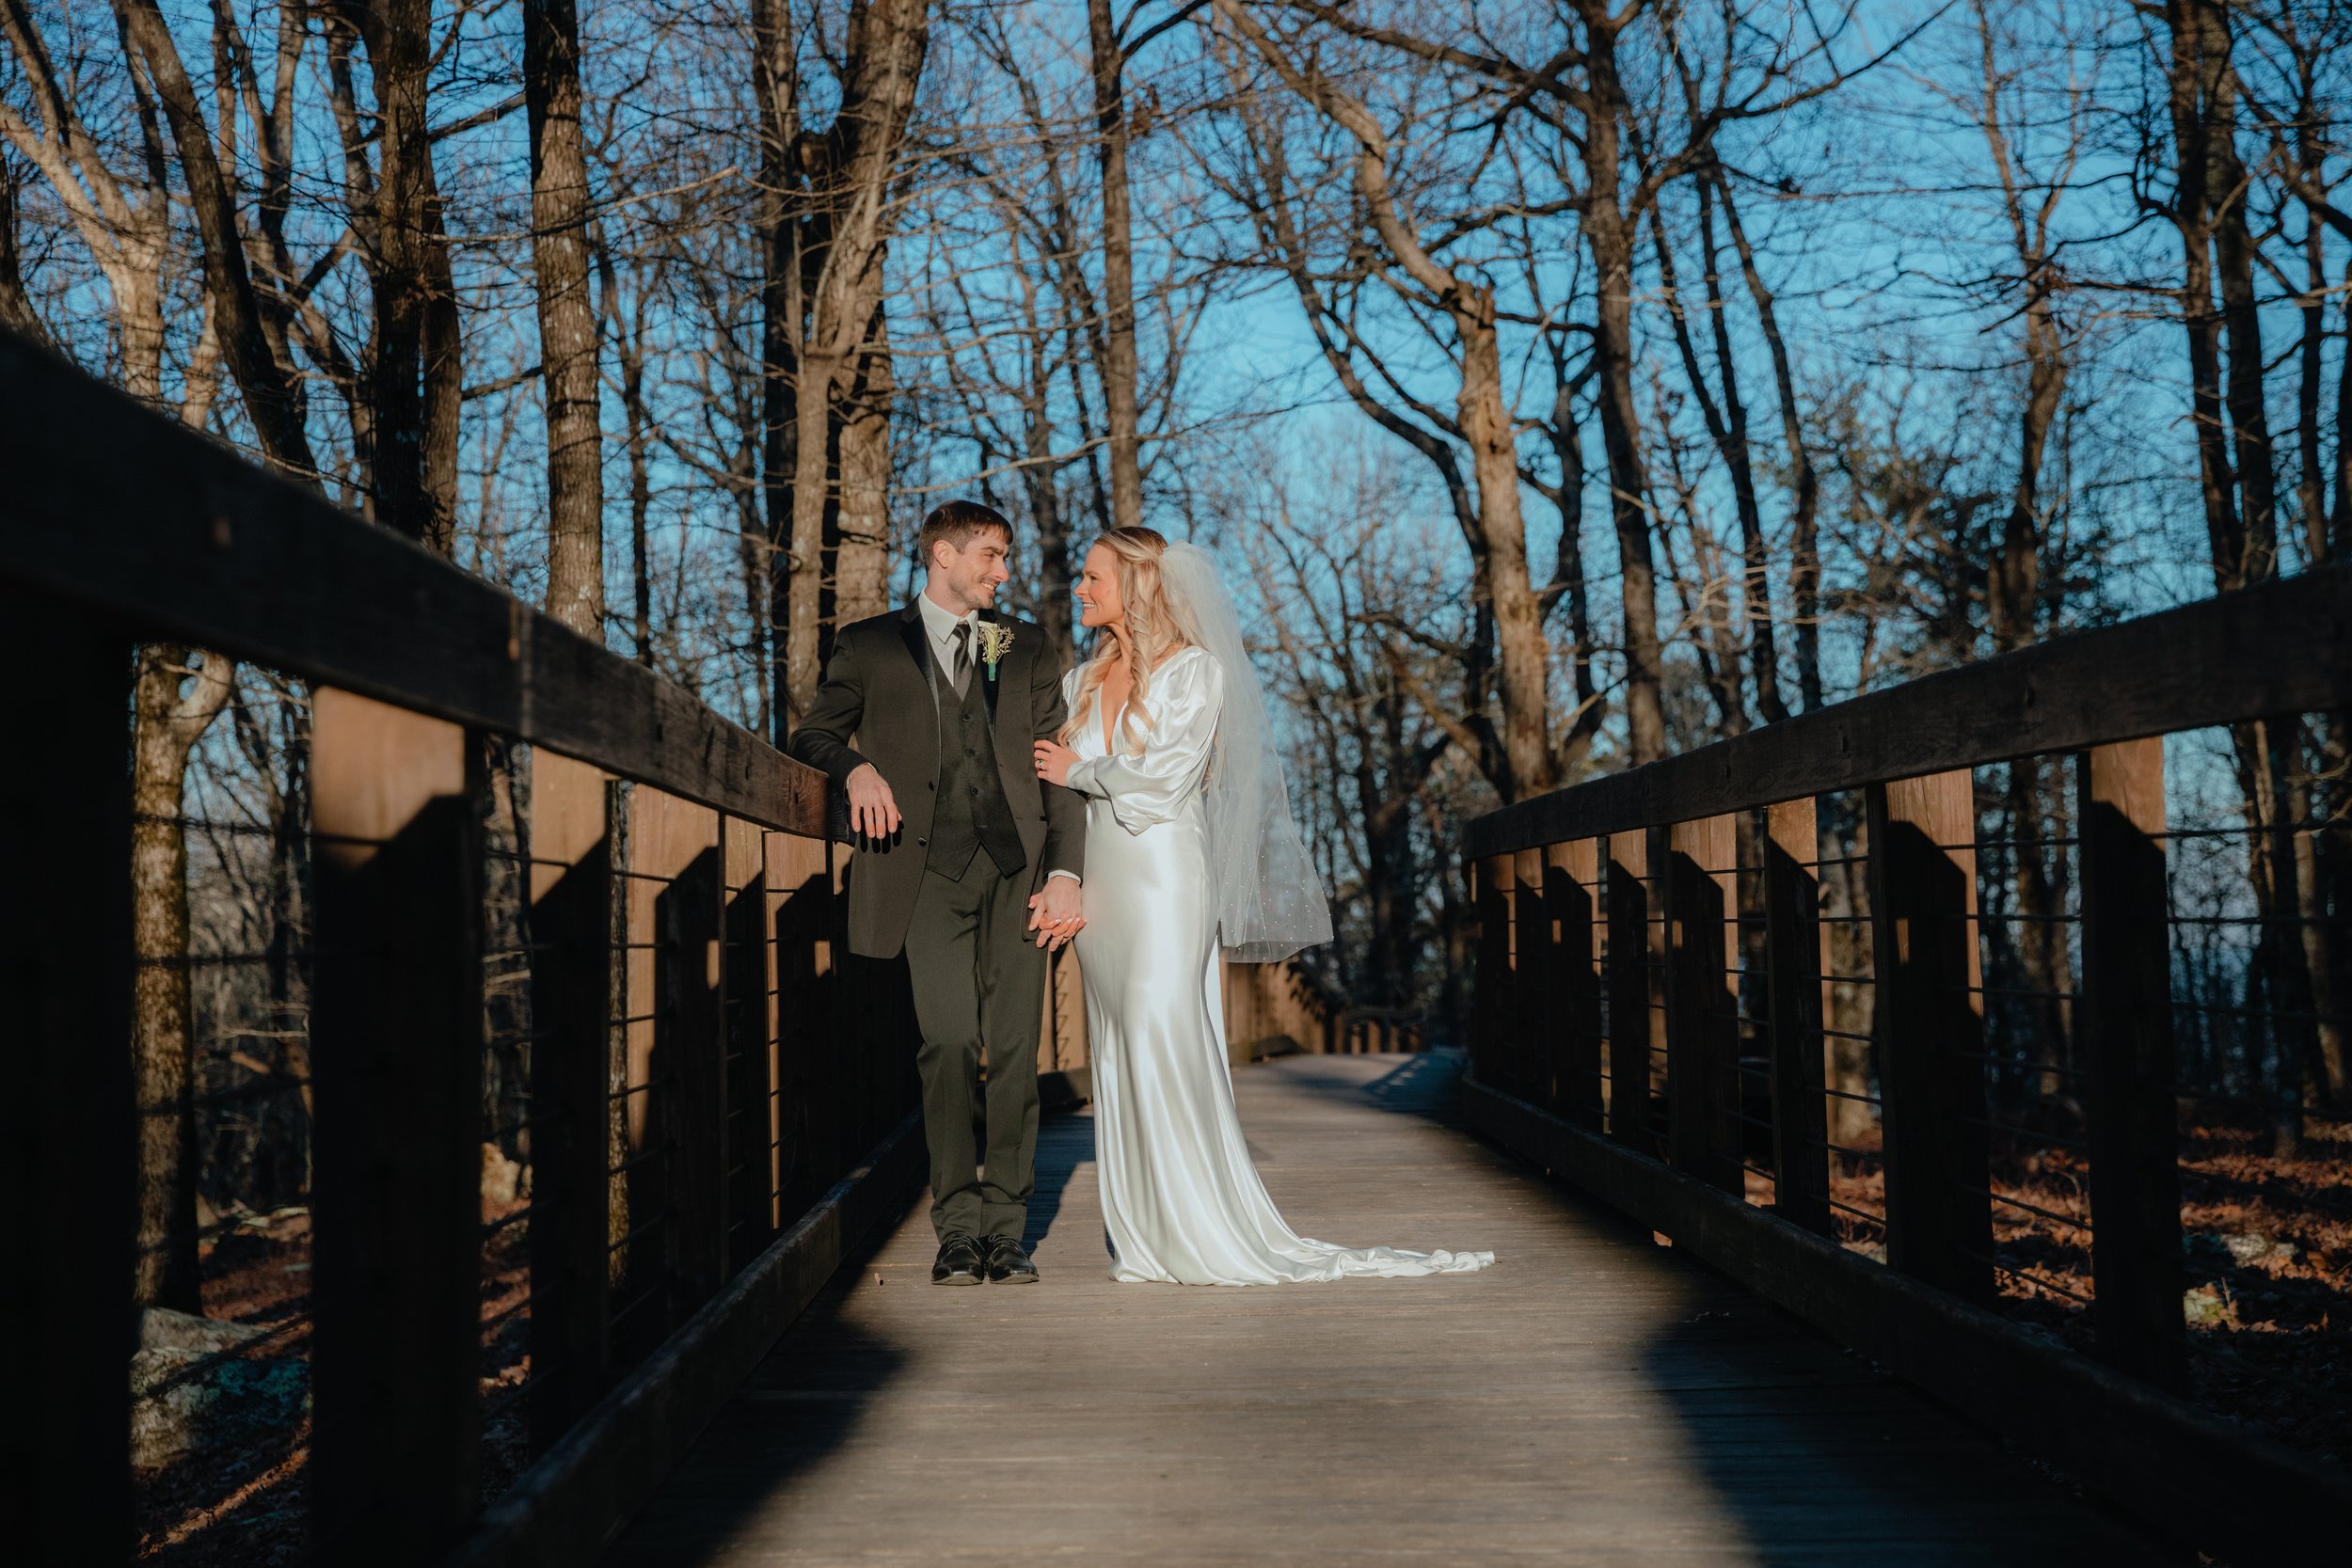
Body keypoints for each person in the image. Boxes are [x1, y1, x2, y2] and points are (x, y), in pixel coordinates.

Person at [1031, 527, 1495, 1285]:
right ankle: (1148, 1237)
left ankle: (1203, 1227)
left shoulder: (1195, 673)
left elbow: (1168, 778)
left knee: (1160, 1032)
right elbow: (1062, 796)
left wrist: (1083, 767)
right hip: (1103, 889)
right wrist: (1064, 873)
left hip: (1163, 882)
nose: (1078, 588)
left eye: (1092, 576)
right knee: (1118, 1046)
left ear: (1138, 583)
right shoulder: (1083, 678)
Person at [787, 500, 1088, 1288]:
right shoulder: (870, 645)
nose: (1004, 570)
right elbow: (813, 733)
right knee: (949, 1042)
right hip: (922, 877)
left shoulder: (1022, 647)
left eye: (1007, 557)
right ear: (944, 557)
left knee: (1018, 1052)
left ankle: (1006, 1230)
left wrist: (1066, 870)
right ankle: (957, 1225)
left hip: (1017, 871)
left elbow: (1059, 767)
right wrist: (855, 769)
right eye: (991, 555)